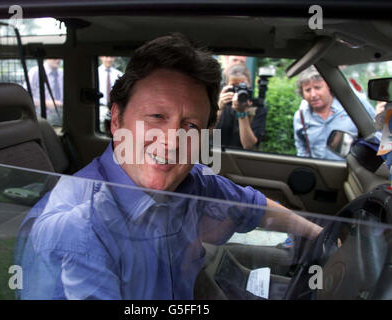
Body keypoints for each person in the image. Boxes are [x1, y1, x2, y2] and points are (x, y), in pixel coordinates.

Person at [18, 33, 323, 300]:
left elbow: (252, 206)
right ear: (116, 120)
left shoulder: (193, 179)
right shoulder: (79, 228)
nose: (173, 142)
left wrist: (322, 234)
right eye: (156, 117)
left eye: (190, 125)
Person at [293, 66, 376, 160]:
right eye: (308, 90)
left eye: (317, 88)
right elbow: (302, 148)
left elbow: (375, 134)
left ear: (329, 86)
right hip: (319, 170)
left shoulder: (352, 105)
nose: (313, 95)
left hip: (350, 169)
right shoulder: (301, 117)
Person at [216, 63, 267, 150]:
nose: (239, 91)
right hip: (216, 156)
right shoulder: (221, 104)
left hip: (242, 159)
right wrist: (219, 108)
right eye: (234, 87)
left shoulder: (258, 109)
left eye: (242, 86)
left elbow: (249, 146)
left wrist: (241, 113)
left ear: (249, 86)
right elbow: (205, 134)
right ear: (226, 87)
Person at [26, 58, 64, 126]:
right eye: (54, 58)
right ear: (47, 58)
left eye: (59, 57)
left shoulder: (62, 73)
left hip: (61, 116)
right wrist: (45, 103)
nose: (58, 60)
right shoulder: (35, 72)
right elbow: (26, 97)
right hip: (41, 117)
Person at [98, 56, 123, 132]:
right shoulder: (96, 73)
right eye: (106, 57)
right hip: (100, 108)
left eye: (111, 57)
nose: (108, 59)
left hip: (114, 109)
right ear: (101, 57)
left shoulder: (119, 74)